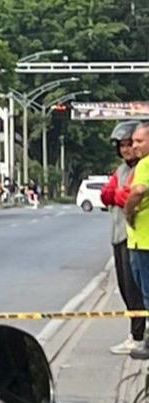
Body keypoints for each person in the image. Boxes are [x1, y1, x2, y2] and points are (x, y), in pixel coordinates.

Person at [100, 120, 145, 356]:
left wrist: (117, 195)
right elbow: (106, 195)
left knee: (137, 290)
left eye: (132, 143)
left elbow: (127, 195)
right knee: (126, 289)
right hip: (119, 235)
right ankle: (135, 334)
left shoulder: (142, 168)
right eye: (123, 145)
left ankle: (138, 336)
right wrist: (116, 194)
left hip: (135, 237)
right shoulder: (121, 170)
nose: (128, 149)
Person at [122, 121, 149, 360]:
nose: (135, 146)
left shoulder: (145, 164)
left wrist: (128, 211)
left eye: (140, 141)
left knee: (146, 294)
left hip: (143, 241)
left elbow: (138, 190)